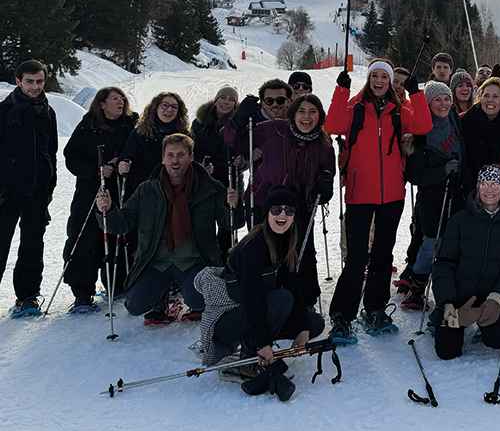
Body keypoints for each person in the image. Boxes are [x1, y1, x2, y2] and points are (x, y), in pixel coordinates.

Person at [325, 58, 432, 339]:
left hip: (392, 195)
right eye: (376, 76)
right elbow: (333, 125)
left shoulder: (400, 110)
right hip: (360, 194)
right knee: (357, 259)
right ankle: (341, 316)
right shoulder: (356, 108)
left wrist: (417, 93)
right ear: (369, 79)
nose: (380, 81)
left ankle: (374, 308)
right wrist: (341, 91)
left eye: (384, 76)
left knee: (383, 256)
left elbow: (423, 126)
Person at [196, 186, 325, 402]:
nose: (282, 215)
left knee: (314, 324)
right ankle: (248, 358)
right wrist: (263, 343)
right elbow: (252, 300)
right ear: (267, 213)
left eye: (288, 210)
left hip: (254, 313)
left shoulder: (286, 241)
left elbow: (293, 286)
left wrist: (302, 327)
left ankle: (257, 348)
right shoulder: (253, 247)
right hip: (226, 321)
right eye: (276, 210)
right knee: (281, 300)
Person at [95, 133, 233, 325]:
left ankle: (185, 296)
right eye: (170, 155)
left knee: (200, 299)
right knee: (135, 305)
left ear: (191, 157)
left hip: (194, 261)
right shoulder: (147, 190)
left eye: (181, 155)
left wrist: (232, 206)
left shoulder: (210, 188)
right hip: (156, 262)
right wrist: (108, 210)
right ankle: (162, 299)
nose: (175, 160)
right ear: (162, 158)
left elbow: (231, 224)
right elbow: (123, 223)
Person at [430, 166, 500, 360]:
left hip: (491, 296)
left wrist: (498, 299)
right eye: (484, 184)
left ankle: (484, 322)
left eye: (494, 184)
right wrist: (447, 302)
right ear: (477, 187)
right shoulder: (459, 220)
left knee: (498, 341)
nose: (489, 190)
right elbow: (444, 263)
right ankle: (442, 317)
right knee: (446, 352)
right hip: (458, 297)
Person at [250, 94, 335, 305]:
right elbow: (237, 139)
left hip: (302, 205)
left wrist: (325, 184)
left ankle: (304, 299)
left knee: (302, 251)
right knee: (268, 249)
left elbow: (328, 170)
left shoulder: (324, 143)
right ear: (293, 113)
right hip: (269, 203)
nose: (306, 117)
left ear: (320, 116)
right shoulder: (276, 129)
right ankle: (265, 297)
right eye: (301, 111)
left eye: (312, 112)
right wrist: (241, 117)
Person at [61, 86, 137, 312]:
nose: (120, 102)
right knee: (83, 238)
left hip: (121, 190)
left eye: (122, 98)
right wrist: (96, 170)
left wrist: (122, 164)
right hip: (90, 190)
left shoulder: (132, 124)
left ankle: (118, 284)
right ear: (101, 104)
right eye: (114, 99)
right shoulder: (89, 125)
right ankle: (82, 292)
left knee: (118, 236)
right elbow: (70, 157)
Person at [0, 59, 58, 316]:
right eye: (30, 82)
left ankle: (27, 298)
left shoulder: (48, 112)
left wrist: (49, 186)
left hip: (37, 193)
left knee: (33, 247)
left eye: (40, 81)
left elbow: (51, 153)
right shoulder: (4, 111)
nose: (35, 87)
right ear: (18, 81)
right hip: (6, 193)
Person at [401, 81, 465, 310]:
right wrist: (443, 170)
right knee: (431, 242)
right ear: (427, 103)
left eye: (447, 98)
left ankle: (449, 286)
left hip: (456, 192)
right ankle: (416, 289)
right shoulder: (421, 132)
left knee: (455, 241)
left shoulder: (454, 120)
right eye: (437, 99)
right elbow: (415, 175)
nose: (444, 103)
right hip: (432, 197)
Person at [120, 92, 189, 191]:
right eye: (165, 105)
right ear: (155, 107)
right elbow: (126, 155)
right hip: (142, 189)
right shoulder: (140, 132)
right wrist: (122, 164)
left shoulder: (184, 136)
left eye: (174, 107)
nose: (169, 109)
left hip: (173, 190)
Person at [460, 75, 500, 185]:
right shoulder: (466, 120)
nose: (490, 100)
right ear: (480, 97)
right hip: (469, 179)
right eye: (486, 96)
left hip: (494, 179)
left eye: (495, 96)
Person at [192, 85, 239, 181]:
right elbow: (192, 148)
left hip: (230, 179)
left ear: (235, 104)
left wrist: (240, 162)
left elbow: (244, 153)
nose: (226, 102)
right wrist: (199, 164)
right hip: (202, 176)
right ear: (216, 100)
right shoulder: (200, 122)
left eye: (231, 99)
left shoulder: (239, 124)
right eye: (223, 98)